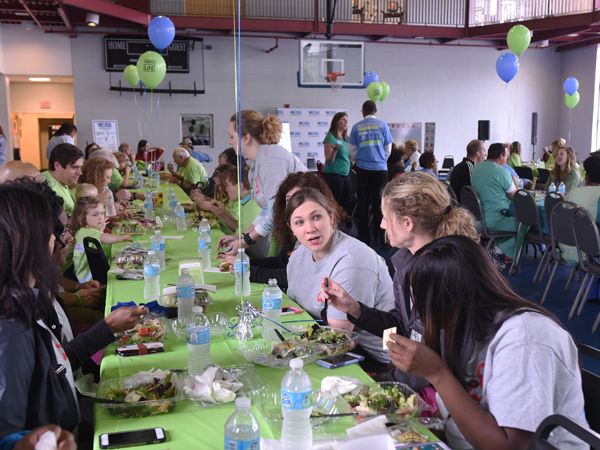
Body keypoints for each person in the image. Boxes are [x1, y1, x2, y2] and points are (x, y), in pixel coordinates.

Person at [386, 235, 588, 450]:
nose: (422, 315)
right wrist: (405, 436)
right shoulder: (464, 325)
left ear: (448, 299)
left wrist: (437, 373)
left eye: (423, 304)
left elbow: (510, 447)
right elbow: (451, 415)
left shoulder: (526, 339)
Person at [320, 172, 479, 391]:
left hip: (442, 393)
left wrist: (383, 388)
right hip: (409, 379)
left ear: (407, 223)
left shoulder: (446, 275)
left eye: (385, 217)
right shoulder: (406, 263)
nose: (382, 225)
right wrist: (356, 310)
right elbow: (403, 329)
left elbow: (441, 359)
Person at [285, 188, 394, 371]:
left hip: (370, 356)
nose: (310, 228)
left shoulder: (352, 261)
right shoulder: (299, 255)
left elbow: (339, 339)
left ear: (331, 217)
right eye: (299, 222)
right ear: (291, 228)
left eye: (317, 217)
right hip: (322, 338)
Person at [0, 184, 79, 438]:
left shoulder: (28, 301)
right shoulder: (12, 324)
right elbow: (8, 427)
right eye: (49, 231)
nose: (55, 240)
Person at [219, 171, 355, 289]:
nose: (293, 205)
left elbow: (297, 277)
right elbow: (281, 262)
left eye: (300, 197)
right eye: (289, 200)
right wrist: (244, 263)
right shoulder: (295, 228)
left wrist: (249, 271)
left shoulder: (326, 234)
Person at [218, 110, 306, 258]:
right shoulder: (258, 162)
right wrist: (241, 237)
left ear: (246, 138)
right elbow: (266, 210)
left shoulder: (270, 160)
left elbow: (274, 212)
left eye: (232, 136)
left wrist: (245, 241)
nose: (230, 141)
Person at [348, 100, 392, 246]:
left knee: (363, 204)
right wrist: (378, 160)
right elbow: (388, 150)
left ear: (363, 111)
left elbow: (352, 152)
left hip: (362, 170)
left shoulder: (356, 127)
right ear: (375, 110)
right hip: (380, 170)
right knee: (381, 204)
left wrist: (362, 160)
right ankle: (384, 240)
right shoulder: (383, 125)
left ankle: (364, 239)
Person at [471, 143, 517, 258]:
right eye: (506, 155)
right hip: (495, 221)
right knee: (527, 223)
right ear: (501, 157)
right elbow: (516, 198)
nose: (507, 158)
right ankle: (499, 250)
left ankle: (495, 248)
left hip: (477, 220)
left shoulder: (476, 168)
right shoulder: (502, 172)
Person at [70, 197, 132, 283]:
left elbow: (99, 237)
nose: (100, 218)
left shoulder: (82, 231)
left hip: (84, 276)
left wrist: (100, 229)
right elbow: (103, 237)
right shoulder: (88, 232)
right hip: (91, 278)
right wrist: (117, 238)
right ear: (83, 218)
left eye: (102, 213)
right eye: (95, 215)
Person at [212, 164, 261, 236]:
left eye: (228, 185)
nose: (226, 189)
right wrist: (222, 214)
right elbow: (240, 230)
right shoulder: (247, 201)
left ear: (240, 186)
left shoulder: (252, 205)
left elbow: (249, 241)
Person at [41, 143, 83, 216]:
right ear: (57, 165)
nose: (80, 173)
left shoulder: (60, 181)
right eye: (74, 167)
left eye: (80, 167)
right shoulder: (47, 187)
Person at [322, 112, 352, 214]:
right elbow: (329, 160)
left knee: (346, 203)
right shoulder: (330, 138)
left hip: (346, 174)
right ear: (336, 122)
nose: (346, 122)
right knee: (335, 203)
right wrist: (334, 150)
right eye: (343, 120)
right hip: (333, 174)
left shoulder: (346, 139)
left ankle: (345, 227)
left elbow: (348, 157)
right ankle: (334, 226)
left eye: (347, 120)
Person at [450, 140, 487, 204]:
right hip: (464, 208)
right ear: (478, 153)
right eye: (484, 151)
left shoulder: (461, 166)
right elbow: (472, 191)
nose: (486, 154)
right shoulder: (469, 167)